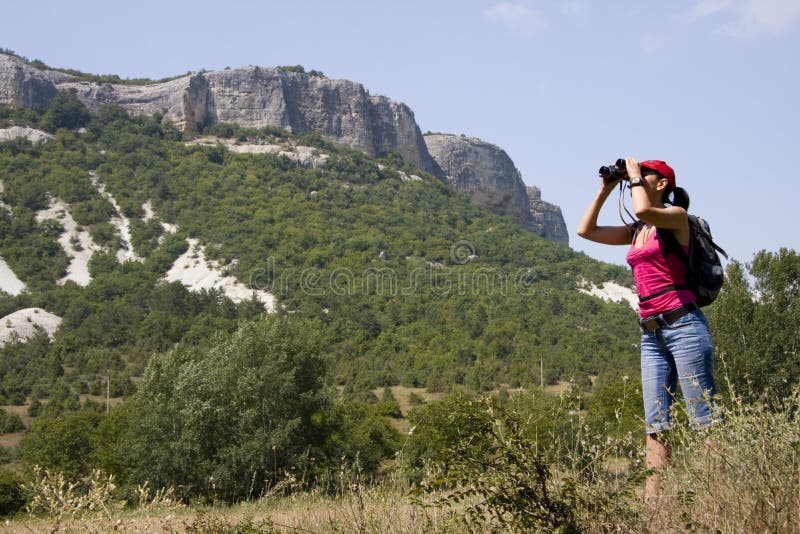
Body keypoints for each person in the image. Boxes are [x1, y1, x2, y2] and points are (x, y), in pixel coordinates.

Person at [577, 157, 720, 502]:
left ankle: (720, 495)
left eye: (645, 174)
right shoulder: (636, 231)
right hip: (650, 334)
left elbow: (644, 211)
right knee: (655, 425)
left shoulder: (676, 218)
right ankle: (652, 508)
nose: (636, 178)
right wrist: (605, 190)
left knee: (704, 419)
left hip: (684, 325)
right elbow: (586, 231)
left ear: (662, 184)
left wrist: (634, 176)